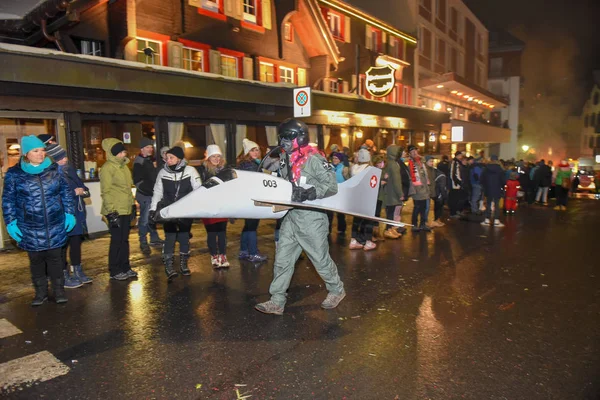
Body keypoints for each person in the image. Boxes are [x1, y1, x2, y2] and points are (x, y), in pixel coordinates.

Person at [255, 119, 345, 315]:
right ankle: (277, 301)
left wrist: (309, 193)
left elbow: (331, 186)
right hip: (291, 216)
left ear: (299, 137)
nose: (283, 141)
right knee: (282, 260)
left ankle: (336, 290)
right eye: (282, 138)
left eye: (287, 137)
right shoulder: (287, 158)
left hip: (312, 218)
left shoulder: (315, 159)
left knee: (320, 260)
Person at [2, 136, 75, 305]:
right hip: (29, 226)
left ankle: (58, 291)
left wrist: (69, 213)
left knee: (56, 260)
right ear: (26, 153)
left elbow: (65, 193)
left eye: (42, 150)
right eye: (36, 151)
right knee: (36, 261)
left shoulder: (54, 169)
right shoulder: (14, 174)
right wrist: (10, 222)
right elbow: (8, 200)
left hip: (54, 224)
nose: (41, 154)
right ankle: (40, 293)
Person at [150, 145, 202, 280]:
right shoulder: (162, 172)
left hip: (185, 209)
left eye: (171, 158)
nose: (168, 160)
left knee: (184, 236)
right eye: (167, 158)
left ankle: (184, 264)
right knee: (170, 237)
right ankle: (169, 266)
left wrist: (197, 207)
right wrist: (152, 209)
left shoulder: (190, 171)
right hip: (169, 209)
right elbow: (157, 192)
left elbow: (198, 190)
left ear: (179, 159)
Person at [46, 143, 93, 289]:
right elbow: (52, 195)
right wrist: (74, 192)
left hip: (76, 212)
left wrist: (83, 191)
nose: (65, 159)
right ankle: (63, 274)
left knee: (76, 242)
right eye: (61, 157)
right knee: (62, 246)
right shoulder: (50, 174)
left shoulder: (69, 170)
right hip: (62, 214)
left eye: (64, 156)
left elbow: (83, 187)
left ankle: (77, 270)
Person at [100, 138, 136, 281]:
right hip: (115, 210)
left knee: (125, 240)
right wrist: (111, 211)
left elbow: (128, 188)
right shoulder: (108, 168)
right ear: (114, 154)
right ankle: (114, 270)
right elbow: (106, 191)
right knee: (117, 240)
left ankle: (125, 267)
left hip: (125, 208)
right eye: (121, 152)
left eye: (124, 151)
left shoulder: (124, 167)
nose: (124, 154)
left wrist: (132, 204)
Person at [197, 144, 230, 268]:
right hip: (208, 205)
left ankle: (223, 254)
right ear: (208, 158)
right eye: (213, 156)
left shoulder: (225, 170)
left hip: (222, 205)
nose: (216, 159)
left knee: (222, 232)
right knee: (211, 232)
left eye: (218, 156)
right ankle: (213, 255)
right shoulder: (203, 170)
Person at [236, 138, 268, 263]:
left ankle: (244, 251)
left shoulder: (248, 163)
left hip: (246, 198)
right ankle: (253, 253)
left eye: (257, 150)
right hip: (253, 199)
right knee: (252, 226)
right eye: (252, 150)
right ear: (247, 152)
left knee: (248, 225)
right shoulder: (251, 165)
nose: (256, 152)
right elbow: (255, 183)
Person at [133, 137, 163, 255]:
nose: (151, 149)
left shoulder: (148, 160)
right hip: (145, 195)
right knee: (145, 219)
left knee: (151, 217)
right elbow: (138, 182)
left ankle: (154, 238)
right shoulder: (139, 162)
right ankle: (143, 241)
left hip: (151, 194)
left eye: (151, 147)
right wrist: (150, 191)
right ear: (142, 149)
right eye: (148, 147)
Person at [349, 148, 376, 251]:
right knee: (368, 219)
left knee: (356, 219)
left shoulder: (354, 168)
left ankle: (354, 240)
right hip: (367, 197)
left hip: (356, 197)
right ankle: (368, 241)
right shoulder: (369, 168)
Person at [407, 145, 431, 232]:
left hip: (424, 188)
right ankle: (414, 224)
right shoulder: (410, 163)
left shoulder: (420, 161)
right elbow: (411, 177)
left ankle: (422, 224)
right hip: (417, 189)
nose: (414, 153)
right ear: (409, 153)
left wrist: (420, 157)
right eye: (412, 152)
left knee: (424, 208)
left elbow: (424, 173)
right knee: (417, 207)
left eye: (415, 151)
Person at [480, 155, 506, 227]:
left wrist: (485, 186)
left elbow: (481, 179)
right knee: (497, 205)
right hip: (497, 189)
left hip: (488, 189)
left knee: (488, 204)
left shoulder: (486, 169)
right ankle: (496, 220)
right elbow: (504, 181)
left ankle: (487, 220)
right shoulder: (500, 169)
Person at [328, 152, 349, 237]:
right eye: (333, 158)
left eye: (336, 158)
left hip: (340, 192)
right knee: (329, 212)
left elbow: (347, 180)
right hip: (331, 192)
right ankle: (328, 229)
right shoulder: (330, 167)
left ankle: (341, 229)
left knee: (340, 212)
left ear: (340, 160)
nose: (334, 160)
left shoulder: (344, 168)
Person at [425, 155, 447, 227]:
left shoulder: (432, 170)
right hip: (426, 192)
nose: (432, 163)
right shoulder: (426, 170)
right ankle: (425, 222)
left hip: (431, 191)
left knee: (430, 207)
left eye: (432, 161)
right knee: (426, 207)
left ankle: (434, 220)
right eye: (431, 161)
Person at [449, 151, 465, 218]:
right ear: (458, 155)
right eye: (460, 155)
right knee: (454, 199)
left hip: (457, 184)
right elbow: (453, 174)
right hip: (455, 184)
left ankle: (455, 211)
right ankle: (453, 213)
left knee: (457, 199)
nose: (461, 156)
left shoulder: (457, 162)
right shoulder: (455, 162)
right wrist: (458, 182)